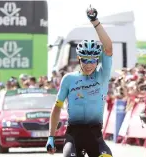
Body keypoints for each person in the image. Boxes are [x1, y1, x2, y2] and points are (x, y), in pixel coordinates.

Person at [46, 6, 113, 157]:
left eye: (93, 60)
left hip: (95, 135)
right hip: (73, 136)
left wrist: (95, 21)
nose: (89, 64)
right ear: (79, 59)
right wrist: (51, 136)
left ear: (97, 60)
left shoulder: (102, 75)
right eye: (85, 60)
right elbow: (57, 108)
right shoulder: (69, 79)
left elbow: (108, 48)